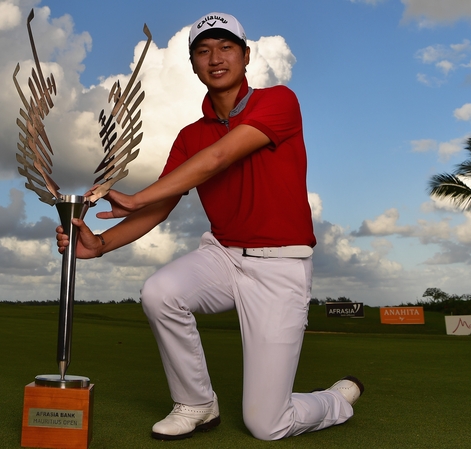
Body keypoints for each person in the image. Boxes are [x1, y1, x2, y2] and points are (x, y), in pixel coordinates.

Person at [55, 11, 363, 441]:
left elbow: (218, 158)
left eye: (226, 47)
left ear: (246, 56)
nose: (215, 58)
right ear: (194, 64)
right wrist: (101, 244)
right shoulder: (189, 136)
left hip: (281, 265)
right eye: (203, 51)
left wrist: (137, 196)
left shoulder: (279, 101)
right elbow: (161, 207)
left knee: (267, 424)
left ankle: (334, 400)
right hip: (222, 256)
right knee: (160, 292)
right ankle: (196, 403)